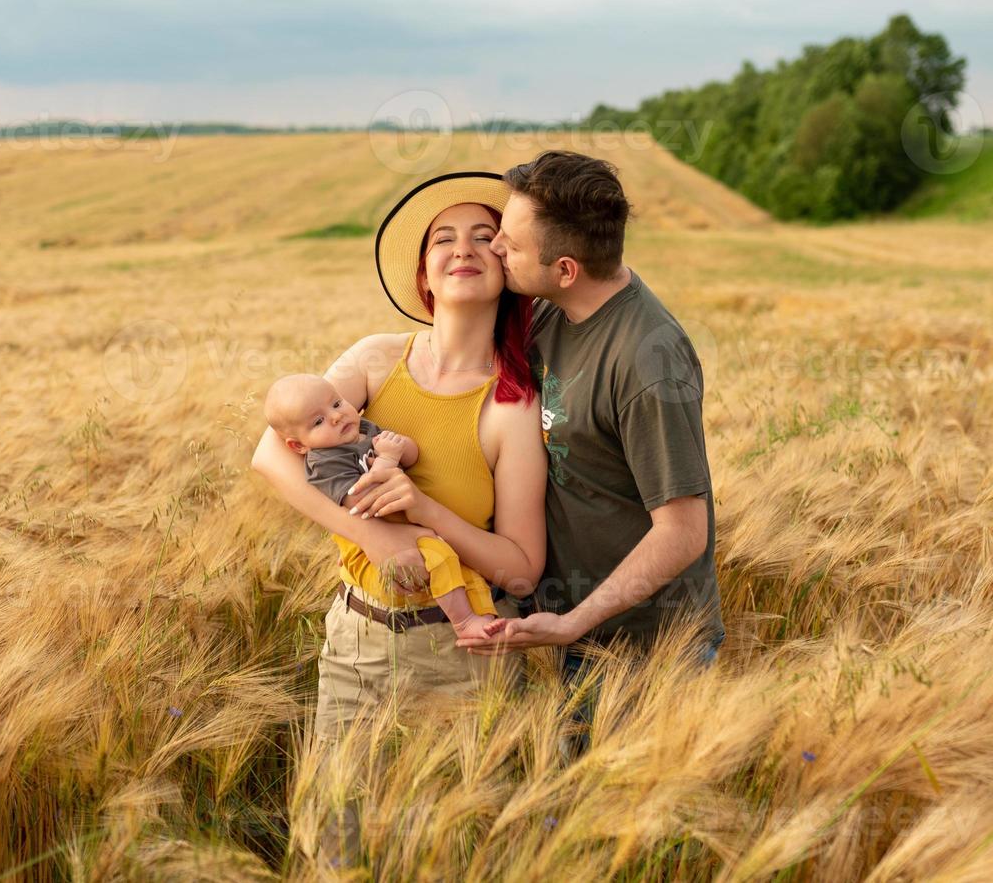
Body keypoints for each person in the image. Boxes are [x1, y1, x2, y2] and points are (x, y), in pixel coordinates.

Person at [249, 171, 547, 746]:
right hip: (356, 644)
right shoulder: (375, 359)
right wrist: (374, 538)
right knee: (333, 830)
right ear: (423, 276)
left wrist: (425, 511)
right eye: (443, 238)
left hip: (462, 663)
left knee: (451, 838)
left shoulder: (512, 405)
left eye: (485, 236)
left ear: (508, 268)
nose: (463, 247)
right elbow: (271, 450)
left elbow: (520, 569)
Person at [459, 150, 725, 688]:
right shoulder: (553, 307)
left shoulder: (649, 364)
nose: (495, 247)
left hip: (645, 651)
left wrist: (574, 623)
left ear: (565, 269)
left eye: (511, 242)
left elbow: (682, 532)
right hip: (568, 630)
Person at [262, 372, 497, 639]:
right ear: (298, 445)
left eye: (336, 404)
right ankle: (464, 622)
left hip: (403, 527)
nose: (336, 416)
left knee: (465, 567)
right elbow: (364, 502)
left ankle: (485, 619)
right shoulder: (325, 462)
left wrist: (399, 447)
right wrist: (386, 459)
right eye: (318, 421)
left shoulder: (363, 430)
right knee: (442, 560)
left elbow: (410, 455)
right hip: (374, 536)